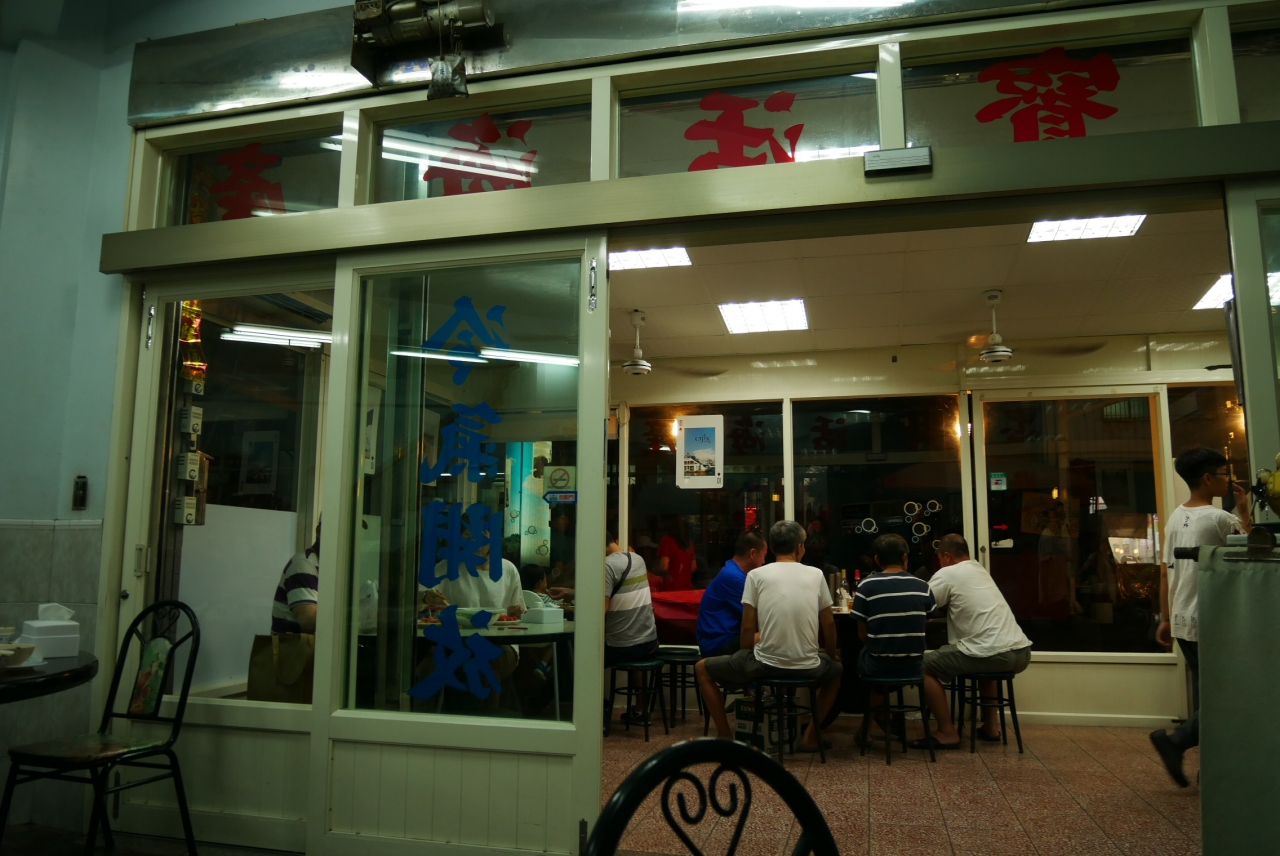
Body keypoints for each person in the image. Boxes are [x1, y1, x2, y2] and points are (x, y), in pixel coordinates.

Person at [696, 520, 842, 754]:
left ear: (772, 548)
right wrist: (831, 655)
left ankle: (724, 736)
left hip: (764, 666)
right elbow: (829, 623)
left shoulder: (756, 576)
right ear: (800, 547)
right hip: (809, 666)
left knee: (701, 668)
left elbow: (747, 626)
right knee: (836, 672)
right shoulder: (816, 574)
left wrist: (745, 658)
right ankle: (810, 737)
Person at [1150, 447, 1250, 787]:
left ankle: (1211, 769)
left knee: (1207, 697)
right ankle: (1177, 742)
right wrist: (1245, 514)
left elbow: (1165, 571)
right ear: (1207, 478)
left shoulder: (1175, 517)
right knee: (1225, 697)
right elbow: (1252, 556)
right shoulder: (1219, 518)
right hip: (1211, 620)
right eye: (1224, 474)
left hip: (1183, 619)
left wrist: (1165, 618)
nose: (1229, 480)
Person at [911, 533, 1032, 750]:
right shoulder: (979, 570)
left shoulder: (948, 572)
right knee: (985, 657)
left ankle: (947, 732)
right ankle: (991, 727)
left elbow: (922, 604)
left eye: (940, 559)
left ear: (946, 556)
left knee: (921, 668)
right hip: (1021, 652)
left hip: (994, 653)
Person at [851, 533, 934, 743]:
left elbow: (862, 634)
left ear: (877, 559)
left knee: (863, 658)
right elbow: (929, 617)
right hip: (913, 666)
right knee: (884, 659)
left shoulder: (866, 586)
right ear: (905, 556)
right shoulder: (922, 586)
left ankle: (870, 726)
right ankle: (881, 717)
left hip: (878, 666)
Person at [604, 532, 660, 724]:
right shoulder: (638, 559)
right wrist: (570, 592)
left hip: (621, 647)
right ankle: (641, 710)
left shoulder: (607, 566)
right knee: (636, 652)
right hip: (649, 642)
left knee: (580, 657)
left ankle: (596, 709)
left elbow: (601, 609)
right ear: (615, 541)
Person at [696, 531, 768, 656]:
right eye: (763, 556)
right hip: (718, 643)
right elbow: (760, 616)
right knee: (775, 635)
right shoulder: (734, 578)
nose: (763, 561)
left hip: (724, 637)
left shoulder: (732, 570)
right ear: (752, 553)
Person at [272, 520, 321, 633]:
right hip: (295, 643)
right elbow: (308, 620)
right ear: (319, 532)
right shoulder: (304, 563)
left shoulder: (336, 570)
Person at [654, 519, 697, 592]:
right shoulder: (689, 543)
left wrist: (652, 572)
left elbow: (664, 567)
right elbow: (694, 567)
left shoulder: (666, 540)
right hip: (687, 588)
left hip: (671, 589)